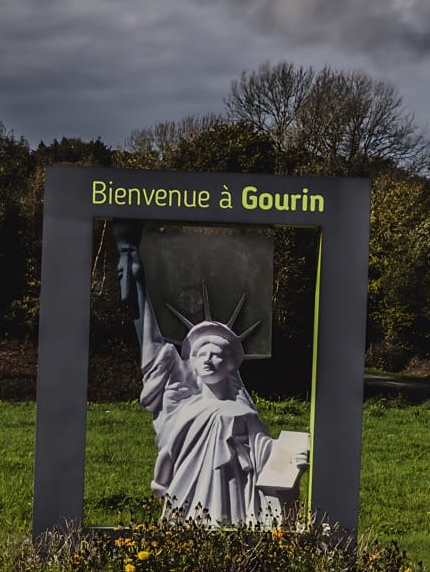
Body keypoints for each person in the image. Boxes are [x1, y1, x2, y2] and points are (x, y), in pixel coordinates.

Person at [112, 224, 308, 524]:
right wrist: (136, 279)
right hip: (187, 498)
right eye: (202, 353)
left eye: (217, 355)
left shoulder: (244, 412)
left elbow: (264, 453)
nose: (209, 359)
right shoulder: (180, 401)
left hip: (234, 502)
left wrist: (292, 457)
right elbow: (152, 346)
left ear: (231, 364)